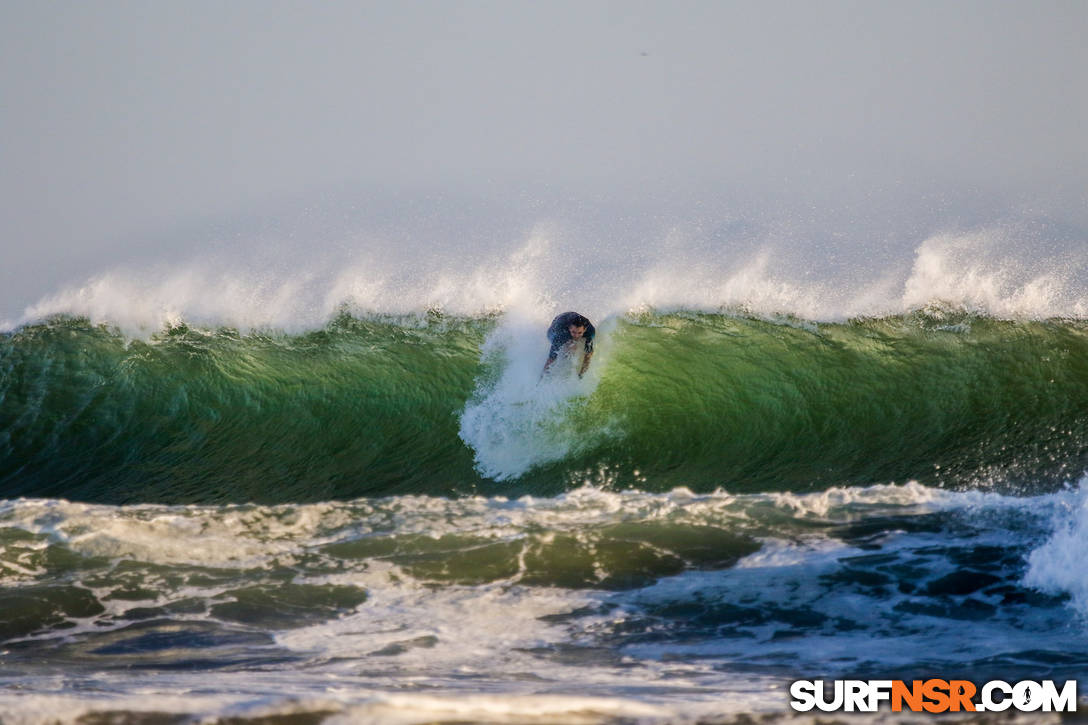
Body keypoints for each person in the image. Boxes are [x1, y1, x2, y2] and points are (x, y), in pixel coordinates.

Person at [541, 311, 595, 379]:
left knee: (577, 346)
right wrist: (542, 378)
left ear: (585, 330)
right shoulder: (561, 334)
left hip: (570, 317)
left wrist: (581, 375)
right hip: (556, 326)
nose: (576, 335)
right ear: (569, 328)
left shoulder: (590, 332)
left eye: (580, 333)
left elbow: (588, 356)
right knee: (568, 347)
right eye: (573, 332)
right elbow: (551, 359)